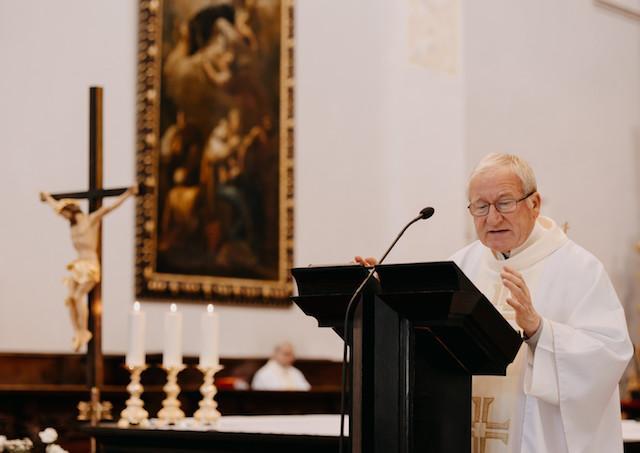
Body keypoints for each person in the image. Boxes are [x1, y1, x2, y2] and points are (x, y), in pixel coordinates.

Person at [355, 153, 632, 453]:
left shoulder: (578, 269)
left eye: (504, 203)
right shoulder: (460, 268)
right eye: (481, 207)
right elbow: (428, 342)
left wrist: (540, 331)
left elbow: (610, 356)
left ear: (534, 204)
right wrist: (384, 297)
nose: (492, 218)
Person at [40, 186, 138, 352]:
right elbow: (56, 207)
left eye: (65, 213)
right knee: (70, 298)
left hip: (90, 264)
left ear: (71, 211)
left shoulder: (90, 219)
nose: (63, 216)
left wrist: (128, 194)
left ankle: (84, 330)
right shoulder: (72, 226)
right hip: (78, 264)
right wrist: (48, 197)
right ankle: (77, 331)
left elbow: (109, 208)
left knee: (78, 296)